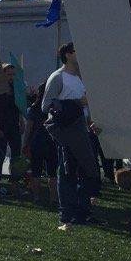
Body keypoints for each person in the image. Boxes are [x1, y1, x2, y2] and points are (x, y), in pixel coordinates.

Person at [41, 41, 101, 229]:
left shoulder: (83, 77)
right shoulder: (58, 77)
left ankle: (81, 213)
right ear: (67, 54)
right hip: (66, 131)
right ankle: (66, 215)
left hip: (82, 129)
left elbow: (87, 106)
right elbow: (46, 105)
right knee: (67, 173)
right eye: (77, 51)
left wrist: (91, 121)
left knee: (88, 172)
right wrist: (76, 103)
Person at [23, 83, 58, 204]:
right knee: (52, 173)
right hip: (52, 141)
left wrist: (25, 143)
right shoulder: (54, 106)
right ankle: (53, 198)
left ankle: (36, 197)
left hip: (36, 142)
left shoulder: (34, 108)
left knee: (36, 171)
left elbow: (28, 128)